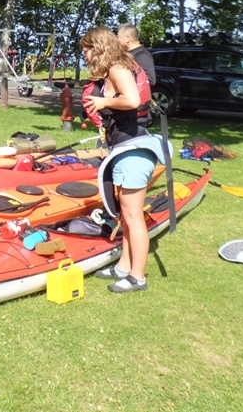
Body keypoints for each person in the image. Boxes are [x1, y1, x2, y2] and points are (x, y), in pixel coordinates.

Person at [80, 26, 168, 293]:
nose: (84, 55)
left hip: (135, 150)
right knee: (127, 217)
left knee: (132, 216)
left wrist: (104, 102)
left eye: (86, 50)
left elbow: (131, 100)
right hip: (125, 147)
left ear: (98, 47)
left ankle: (137, 277)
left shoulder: (118, 68)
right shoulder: (114, 69)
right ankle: (123, 267)